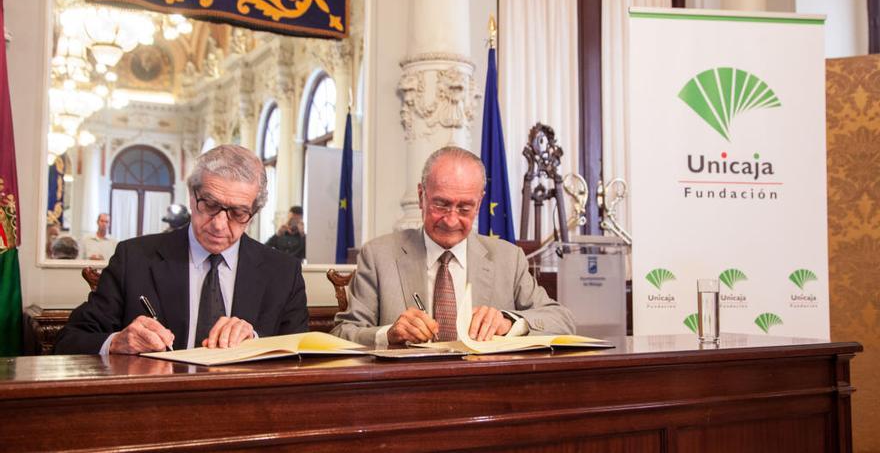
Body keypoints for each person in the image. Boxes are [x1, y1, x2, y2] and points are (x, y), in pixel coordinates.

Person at [55, 145, 309, 355]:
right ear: (191, 195)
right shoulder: (135, 259)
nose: (219, 225)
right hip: (155, 405)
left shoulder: (283, 273)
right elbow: (69, 341)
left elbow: (300, 355)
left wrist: (256, 340)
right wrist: (117, 342)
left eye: (238, 213)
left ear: (253, 214)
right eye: (209, 205)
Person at [331, 146, 575, 346]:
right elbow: (343, 334)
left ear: (479, 204)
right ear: (421, 196)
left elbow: (562, 321)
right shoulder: (378, 256)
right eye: (441, 205)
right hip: (404, 393)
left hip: (486, 391)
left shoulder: (508, 259)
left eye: (465, 208)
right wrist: (388, 334)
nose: (451, 220)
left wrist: (509, 322)